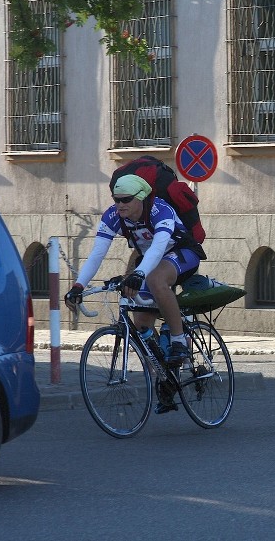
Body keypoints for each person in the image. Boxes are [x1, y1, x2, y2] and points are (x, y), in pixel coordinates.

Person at [64, 174, 203, 410]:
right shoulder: (113, 216)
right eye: (116, 200)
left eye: (126, 199)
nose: (120, 205)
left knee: (157, 279)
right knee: (141, 320)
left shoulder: (161, 210)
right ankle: (165, 377)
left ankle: (179, 339)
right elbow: (98, 253)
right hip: (149, 260)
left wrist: (139, 274)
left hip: (182, 253)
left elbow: (159, 247)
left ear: (141, 198)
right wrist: (78, 285)